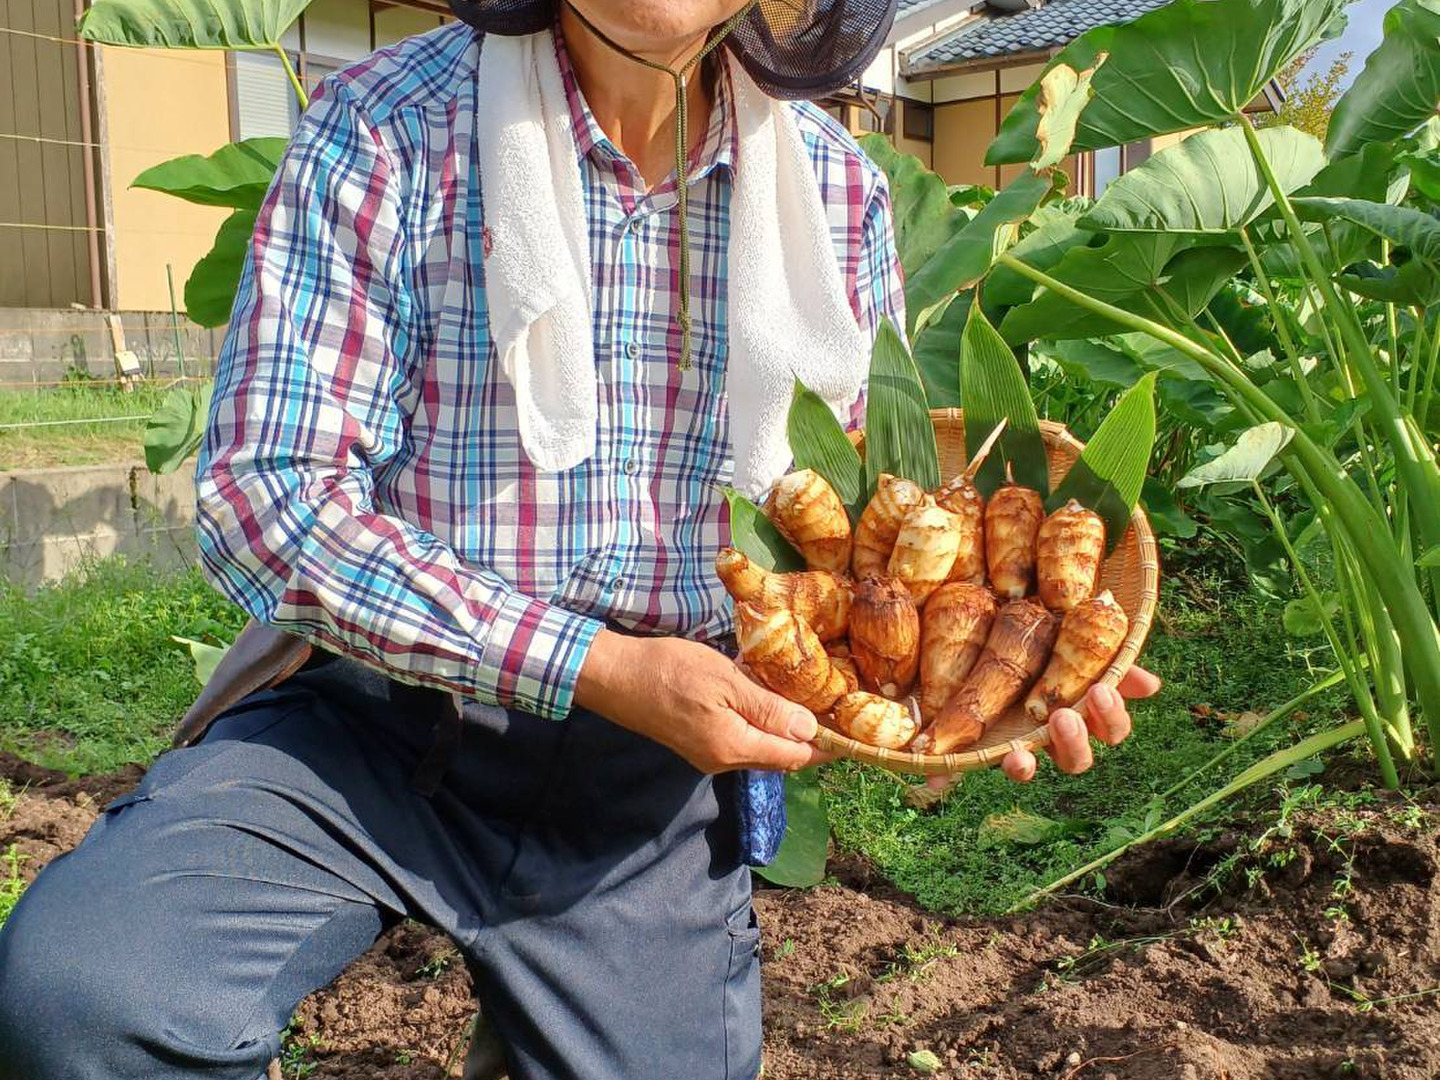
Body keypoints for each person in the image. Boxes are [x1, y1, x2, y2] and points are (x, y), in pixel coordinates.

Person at [0, 2, 1159, 1078]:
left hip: (648, 786)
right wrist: (592, 665)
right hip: (371, 725)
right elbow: (270, 498)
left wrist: (988, 681)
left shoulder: (833, 192)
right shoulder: (389, 133)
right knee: (89, 997)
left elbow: (858, 551)